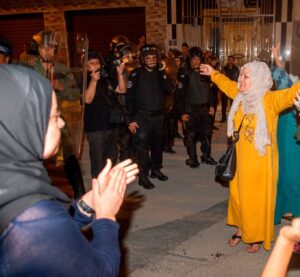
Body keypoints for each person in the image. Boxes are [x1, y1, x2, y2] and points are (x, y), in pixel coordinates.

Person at [0, 64, 139, 276]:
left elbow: (50, 241)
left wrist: (87, 203)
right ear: (25, 125)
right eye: (55, 117)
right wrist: (106, 216)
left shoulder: (11, 183)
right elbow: (101, 271)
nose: (63, 123)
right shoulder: (32, 219)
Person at [200, 61, 300, 253]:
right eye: (241, 75)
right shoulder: (240, 96)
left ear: (258, 79)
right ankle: (241, 228)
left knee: (255, 199)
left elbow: (289, 94)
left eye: (246, 77)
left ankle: (255, 235)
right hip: (239, 159)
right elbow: (227, 83)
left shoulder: (269, 100)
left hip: (260, 163)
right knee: (238, 197)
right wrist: (213, 73)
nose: (241, 80)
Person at [28, 30, 86, 199]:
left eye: (52, 48)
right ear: (37, 49)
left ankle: (80, 194)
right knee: (35, 159)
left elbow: (76, 94)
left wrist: (61, 88)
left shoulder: (61, 69)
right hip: (35, 122)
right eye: (44, 48)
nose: (48, 52)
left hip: (57, 120)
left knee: (69, 156)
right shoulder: (30, 68)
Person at [126, 44, 173, 189]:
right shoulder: (136, 74)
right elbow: (129, 98)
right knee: (142, 148)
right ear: (143, 60)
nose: (152, 61)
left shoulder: (160, 73)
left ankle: (155, 170)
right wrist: (131, 120)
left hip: (158, 117)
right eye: (148, 58)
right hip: (141, 117)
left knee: (157, 145)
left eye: (154, 58)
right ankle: (143, 176)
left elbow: (169, 89)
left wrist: (163, 73)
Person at [271, 43, 300, 253]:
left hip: (293, 135)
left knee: (291, 175)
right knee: (284, 174)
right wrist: (279, 64)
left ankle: (297, 218)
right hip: (285, 132)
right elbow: (286, 85)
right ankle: (287, 210)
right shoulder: (291, 87)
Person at [84, 51, 126, 178]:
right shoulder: (84, 79)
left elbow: (122, 90)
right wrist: (93, 81)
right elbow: (87, 99)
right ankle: (97, 188)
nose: (96, 65)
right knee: (98, 160)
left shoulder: (105, 77)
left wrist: (120, 74)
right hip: (96, 127)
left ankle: (106, 182)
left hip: (111, 124)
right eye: (92, 63)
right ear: (85, 66)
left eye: (97, 62)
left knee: (112, 156)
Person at [176, 47, 217, 168]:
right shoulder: (184, 73)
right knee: (191, 136)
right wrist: (182, 112)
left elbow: (210, 91)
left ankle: (206, 156)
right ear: (190, 59)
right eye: (194, 59)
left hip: (205, 109)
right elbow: (179, 96)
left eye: (199, 59)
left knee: (207, 134)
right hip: (191, 110)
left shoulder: (205, 71)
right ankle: (192, 159)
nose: (196, 61)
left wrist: (211, 105)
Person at [220, 55, 240, 122]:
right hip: (225, 88)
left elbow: (238, 79)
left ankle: (232, 118)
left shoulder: (236, 69)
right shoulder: (224, 68)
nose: (230, 61)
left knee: (233, 104)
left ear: (233, 61)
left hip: (233, 88)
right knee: (224, 104)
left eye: (232, 60)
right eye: (229, 60)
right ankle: (223, 118)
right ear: (228, 61)